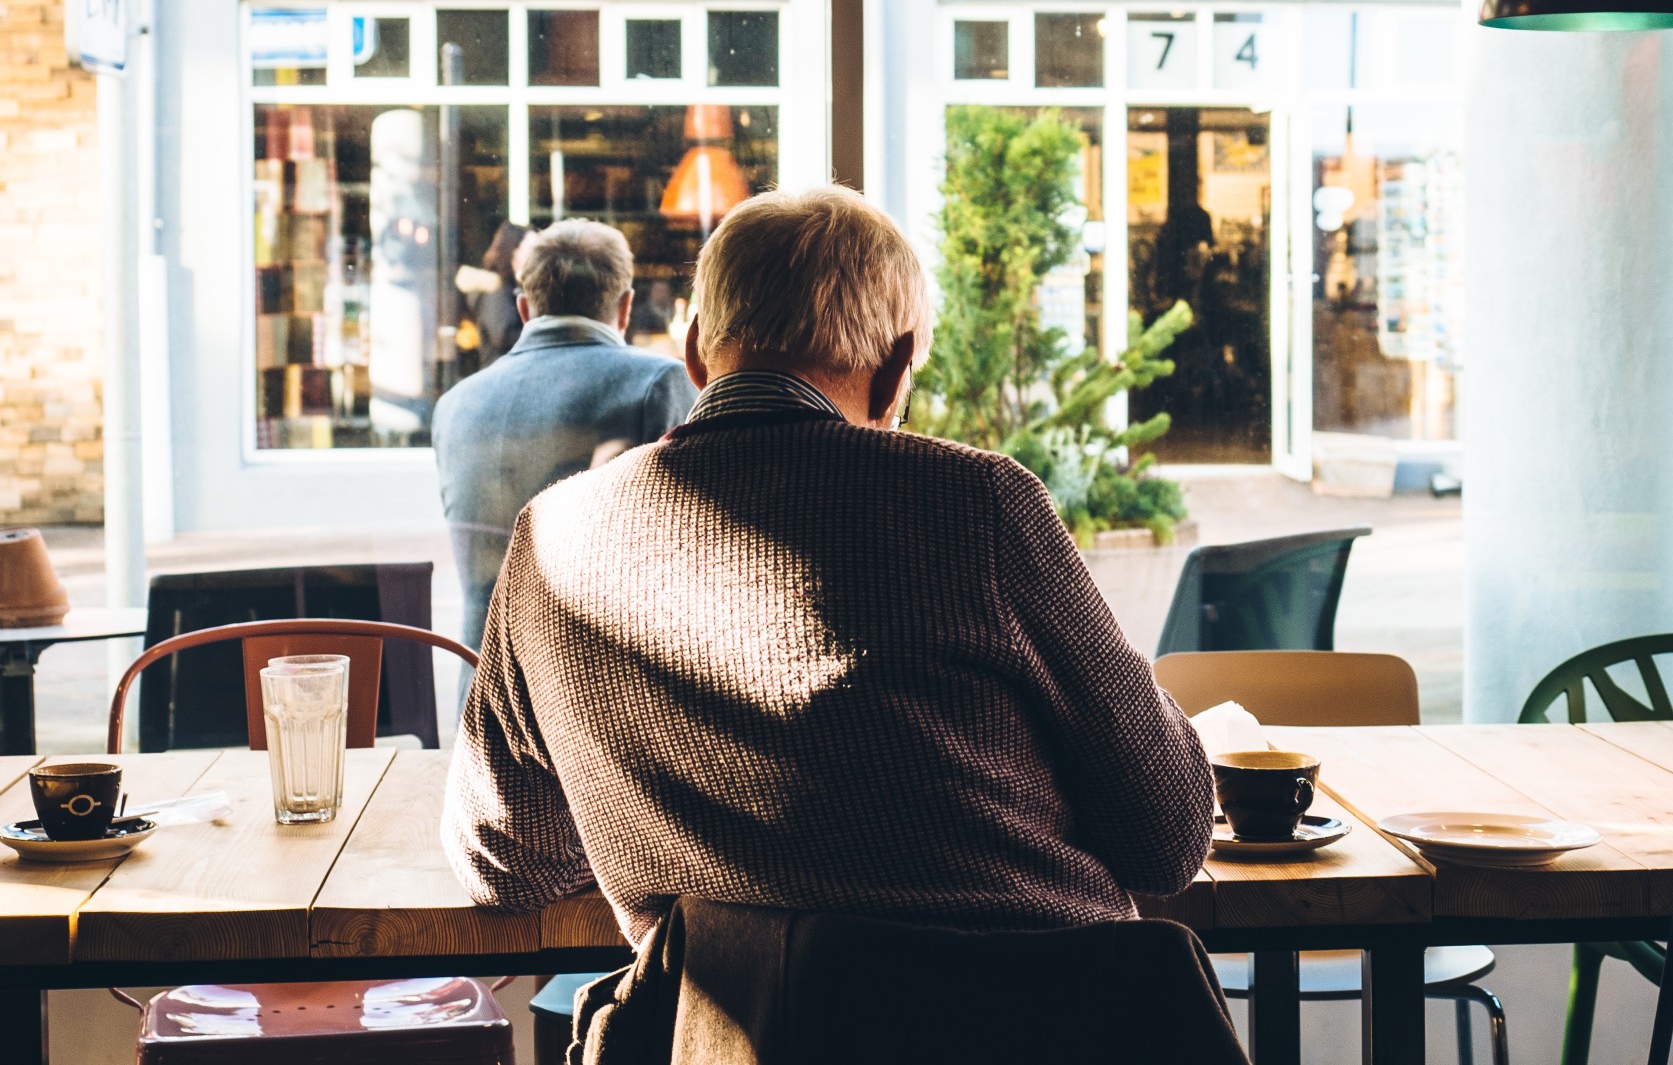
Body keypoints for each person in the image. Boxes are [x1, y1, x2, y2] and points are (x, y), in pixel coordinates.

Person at [440, 186, 1214, 946]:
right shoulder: (978, 504)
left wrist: (657, 811)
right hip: (1042, 1025)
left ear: (695, 352)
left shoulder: (552, 539)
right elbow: (1168, 836)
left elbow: (503, 864)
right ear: (895, 368)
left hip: (733, 1037)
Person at [432, 219, 697, 650]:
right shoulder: (657, 384)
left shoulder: (454, 404)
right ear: (626, 308)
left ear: (524, 309)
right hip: (596, 692)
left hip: (479, 691)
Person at [471, 222, 534, 368]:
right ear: (514, 252)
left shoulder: (512, 288)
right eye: (530, 249)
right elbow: (504, 336)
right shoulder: (497, 290)